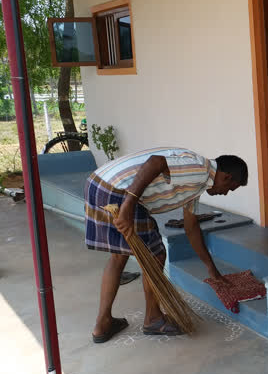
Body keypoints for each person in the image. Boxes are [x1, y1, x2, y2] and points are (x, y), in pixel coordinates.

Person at [84, 147, 248, 343]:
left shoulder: (197, 185)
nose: (225, 193)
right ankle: (153, 319)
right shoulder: (200, 169)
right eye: (230, 189)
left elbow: (191, 228)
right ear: (227, 178)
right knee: (156, 255)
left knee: (119, 255)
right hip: (118, 192)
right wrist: (128, 205)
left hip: (99, 184)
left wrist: (211, 269)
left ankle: (103, 324)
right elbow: (156, 162)